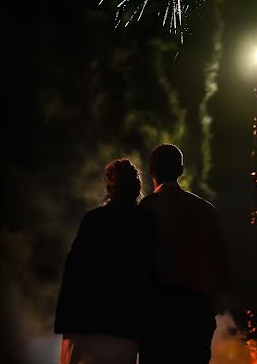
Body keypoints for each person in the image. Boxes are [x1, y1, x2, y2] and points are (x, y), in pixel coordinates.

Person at [54, 158, 154, 364]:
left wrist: (66, 320)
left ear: (110, 186)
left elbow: (74, 271)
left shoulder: (93, 220)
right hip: (124, 325)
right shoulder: (144, 223)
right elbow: (149, 274)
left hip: (86, 322)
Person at [139, 143, 229, 364]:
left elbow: (139, 263)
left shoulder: (146, 209)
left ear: (151, 171)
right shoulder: (206, 210)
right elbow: (221, 262)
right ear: (181, 172)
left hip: (158, 315)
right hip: (196, 315)